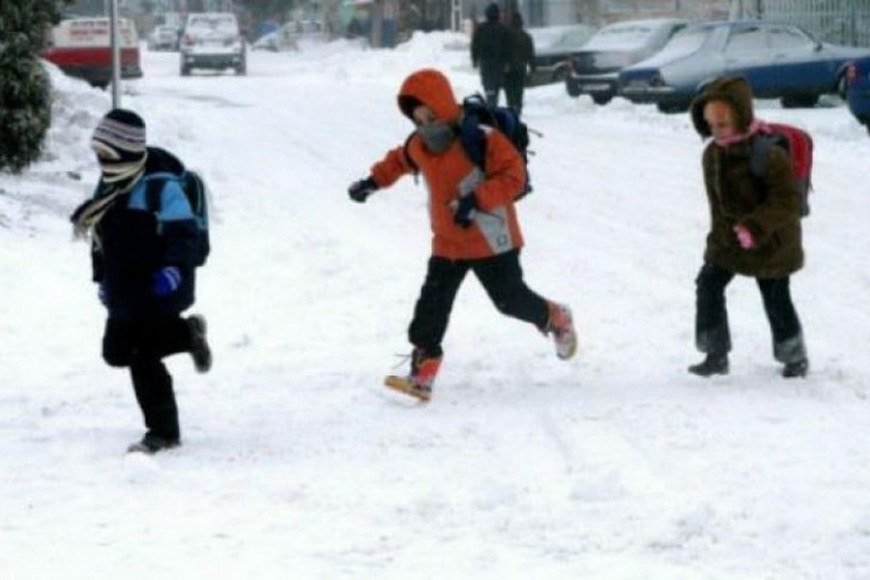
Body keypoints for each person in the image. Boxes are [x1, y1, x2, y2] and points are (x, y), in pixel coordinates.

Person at [346, 68, 577, 401]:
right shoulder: (419, 144)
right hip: (448, 242)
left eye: (427, 113)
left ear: (441, 104)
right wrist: (371, 183)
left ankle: (555, 316)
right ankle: (423, 370)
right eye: (416, 117)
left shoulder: (481, 138)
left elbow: (515, 176)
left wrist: (477, 199)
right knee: (431, 306)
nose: (423, 122)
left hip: (491, 239)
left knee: (510, 300)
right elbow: (398, 161)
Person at [70, 109, 213, 453]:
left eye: (106, 153)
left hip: (159, 285)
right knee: (115, 352)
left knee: (141, 355)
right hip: (123, 284)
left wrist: (174, 269)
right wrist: (101, 277)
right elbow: (101, 237)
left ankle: (163, 431)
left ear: (125, 150)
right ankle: (186, 333)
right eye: (98, 154)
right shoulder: (109, 185)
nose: (101, 160)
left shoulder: (160, 187)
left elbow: (184, 234)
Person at [688, 76, 809, 378]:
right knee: (708, 284)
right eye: (711, 126)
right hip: (729, 240)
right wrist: (718, 242)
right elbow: (717, 206)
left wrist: (755, 227)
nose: (716, 133)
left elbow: (787, 200)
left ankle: (794, 357)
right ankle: (715, 353)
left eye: (723, 125)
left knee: (775, 296)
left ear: (741, 118)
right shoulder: (712, 154)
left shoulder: (768, 155)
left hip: (772, 240)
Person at [470, 2, 513, 108]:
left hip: (486, 63)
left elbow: (475, 45)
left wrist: (475, 59)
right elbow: (508, 47)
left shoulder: (481, 29)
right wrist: (508, 62)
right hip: (499, 64)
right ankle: (493, 103)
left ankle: (491, 103)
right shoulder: (503, 29)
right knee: (496, 86)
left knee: (488, 87)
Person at [504, 12, 535, 117]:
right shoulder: (526, 37)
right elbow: (531, 54)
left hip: (508, 69)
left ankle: (511, 107)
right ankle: (517, 109)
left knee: (509, 91)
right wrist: (533, 68)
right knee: (519, 91)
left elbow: (501, 52)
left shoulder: (506, 35)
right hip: (521, 68)